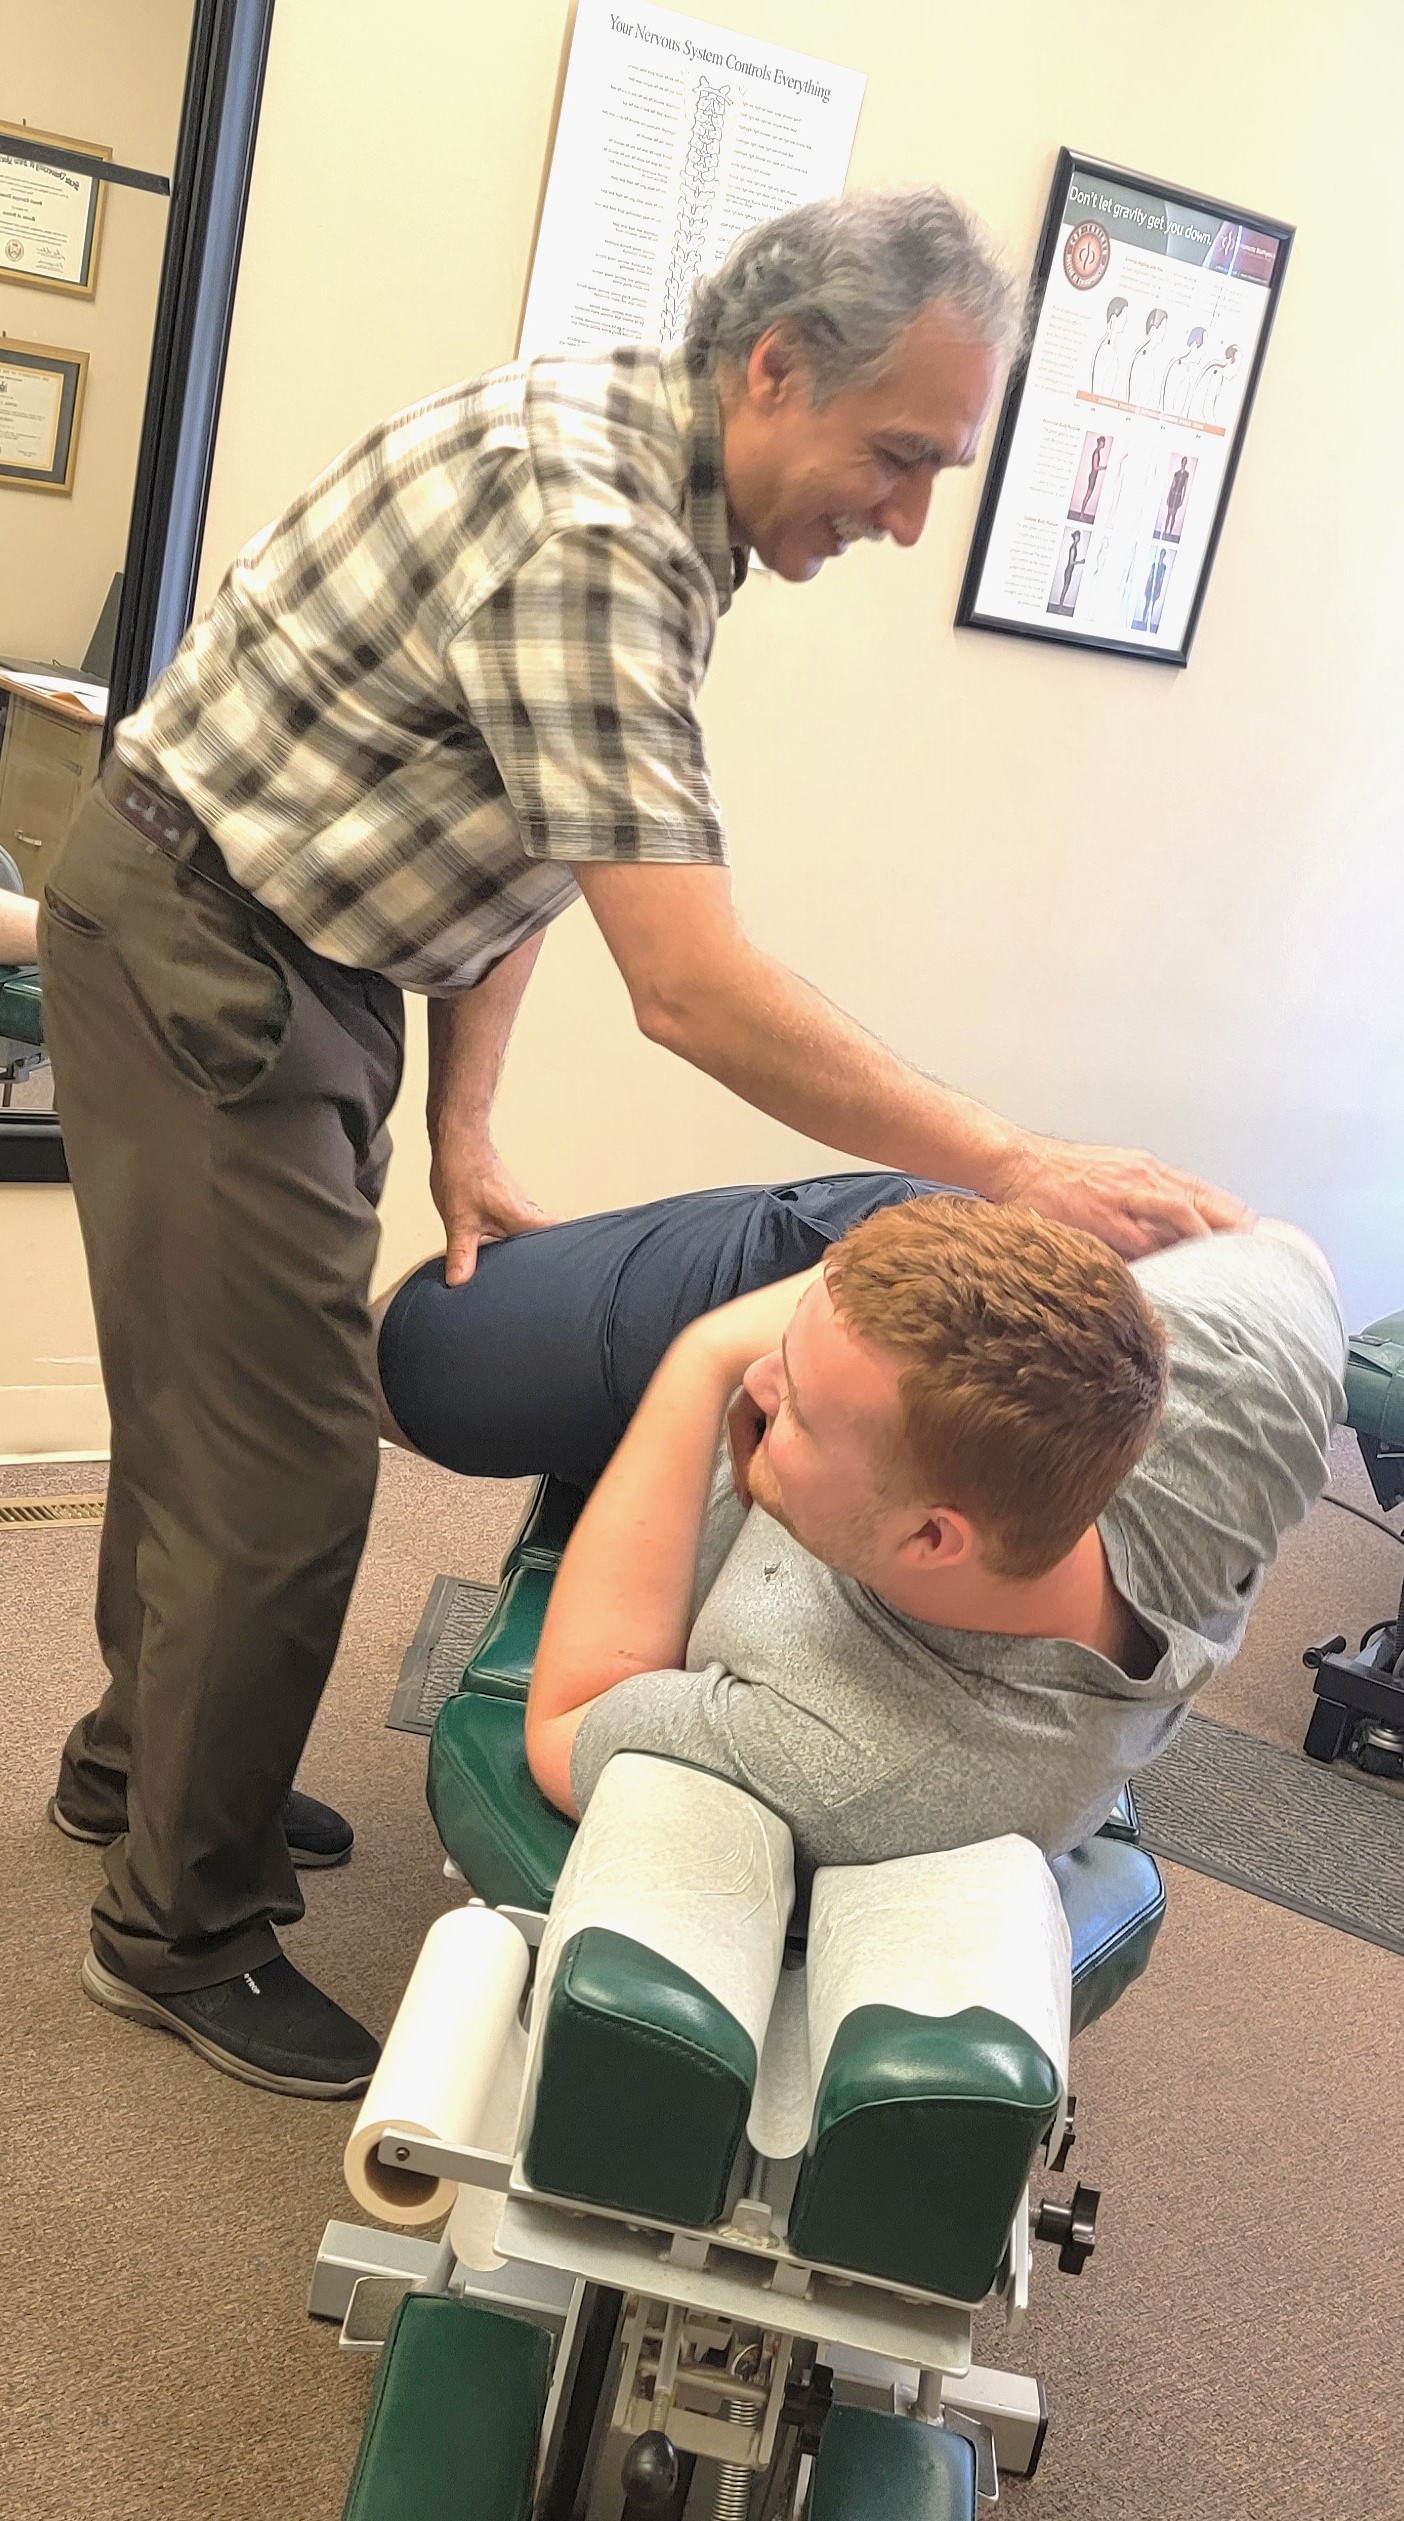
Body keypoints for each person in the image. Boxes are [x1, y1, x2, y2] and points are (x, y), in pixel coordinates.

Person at [40, 187, 1251, 2102]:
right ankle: (176, 1925)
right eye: (899, 455)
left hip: (314, 950)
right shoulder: (590, 526)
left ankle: (149, 1772)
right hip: (212, 940)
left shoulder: (680, 492)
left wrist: (463, 1116)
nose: (909, 514)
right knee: (278, 1477)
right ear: (772, 368)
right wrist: (1011, 1165)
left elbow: (524, 846)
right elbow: (682, 979)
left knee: (220, 1412)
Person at [372, 1178, 1344, 1869]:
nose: (765, 1387)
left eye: (790, 1408)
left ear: (930, 1540)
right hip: (860, 1283)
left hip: (681, 1415)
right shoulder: (1230, 1396)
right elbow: (1292, 1261)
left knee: (416, 1353)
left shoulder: (861, 1760)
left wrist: (705, 1360)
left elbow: (565, 1720)